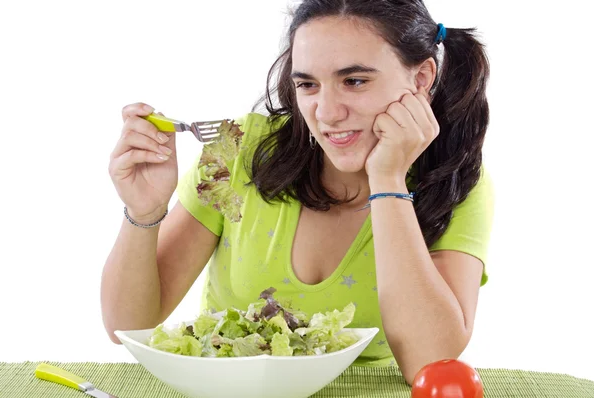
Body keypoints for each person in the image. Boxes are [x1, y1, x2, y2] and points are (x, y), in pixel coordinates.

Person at [102, 0, 494, 385]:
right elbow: (127, 326)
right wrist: (145, 210)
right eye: (307, 84)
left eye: (354, 81)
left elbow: (430, 362)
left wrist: (388, 180)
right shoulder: (237, 150)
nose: (326, 112)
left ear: (421, 79)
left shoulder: (457, 182)